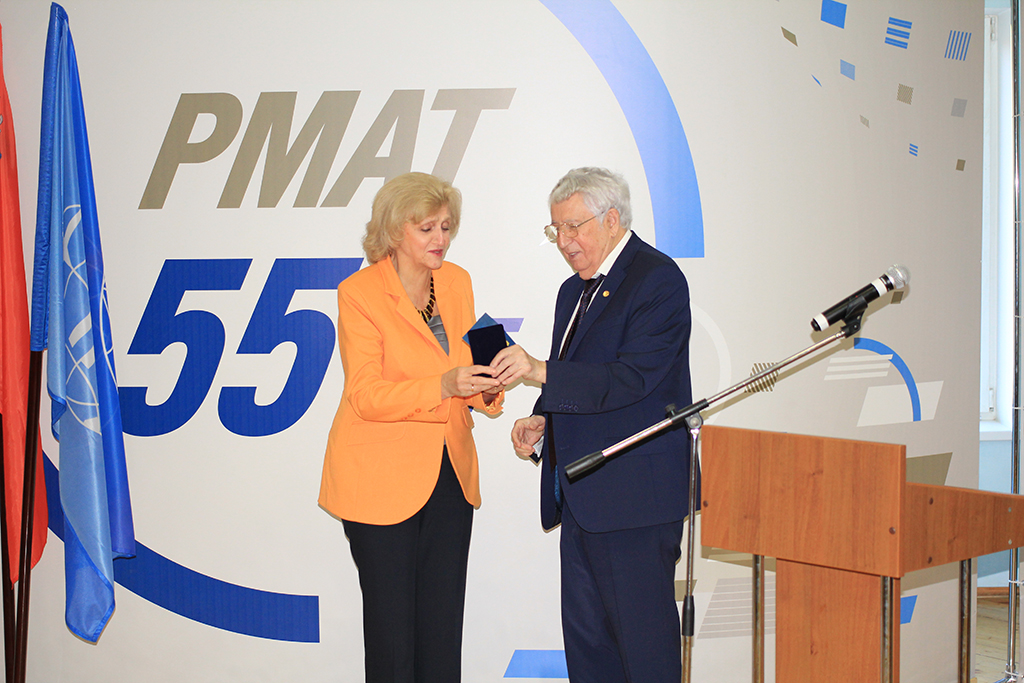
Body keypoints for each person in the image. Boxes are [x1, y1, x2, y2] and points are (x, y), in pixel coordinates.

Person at [492, 167, 694, 683]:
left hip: (635, 502)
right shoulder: (571, 292)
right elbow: (578, 375)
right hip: (582, 498)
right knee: (589, 653)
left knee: (644, 654)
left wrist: (540, 371)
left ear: (611, 220)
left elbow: (632, 379)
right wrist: (544, 418)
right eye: (556, 229)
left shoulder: (657, 279)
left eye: (573, 227)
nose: (564, 241)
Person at [319, 172, 503, 683]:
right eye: (427, 228)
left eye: (446, 227)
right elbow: (366, 395)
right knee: (393, 641)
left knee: (442, 633)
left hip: (450, 474)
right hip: (378, 480)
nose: (440, 239)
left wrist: (491, 387)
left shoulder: (458, 281)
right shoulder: (359, 293)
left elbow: (470, 368)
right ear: (394, 230)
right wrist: (443, 385)